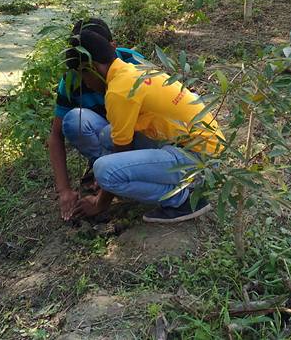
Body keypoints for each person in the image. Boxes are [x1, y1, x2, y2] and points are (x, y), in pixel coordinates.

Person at [64, 28, 223, 224]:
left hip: (199, 162)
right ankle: (161, 183)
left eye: (83, 76)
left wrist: (99, 203)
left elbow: (121, 153)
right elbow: (118, 140)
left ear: (92, 68)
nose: (86, 84)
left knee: (105, 171)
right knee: (107, 135)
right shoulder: (134, 70)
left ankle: (182, 199)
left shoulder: (118, 91)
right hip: (200, 147)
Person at [48, 18, 149, 220]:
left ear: (112, 47)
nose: (87, 76)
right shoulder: (72, 79)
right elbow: (55, 136)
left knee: (111, 135)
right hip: (112, 137)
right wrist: (64, 190)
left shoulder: (133, 65)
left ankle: (118, 175)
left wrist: (103, 199)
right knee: (74, 120)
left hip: (139, 136)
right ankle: (101, 169)